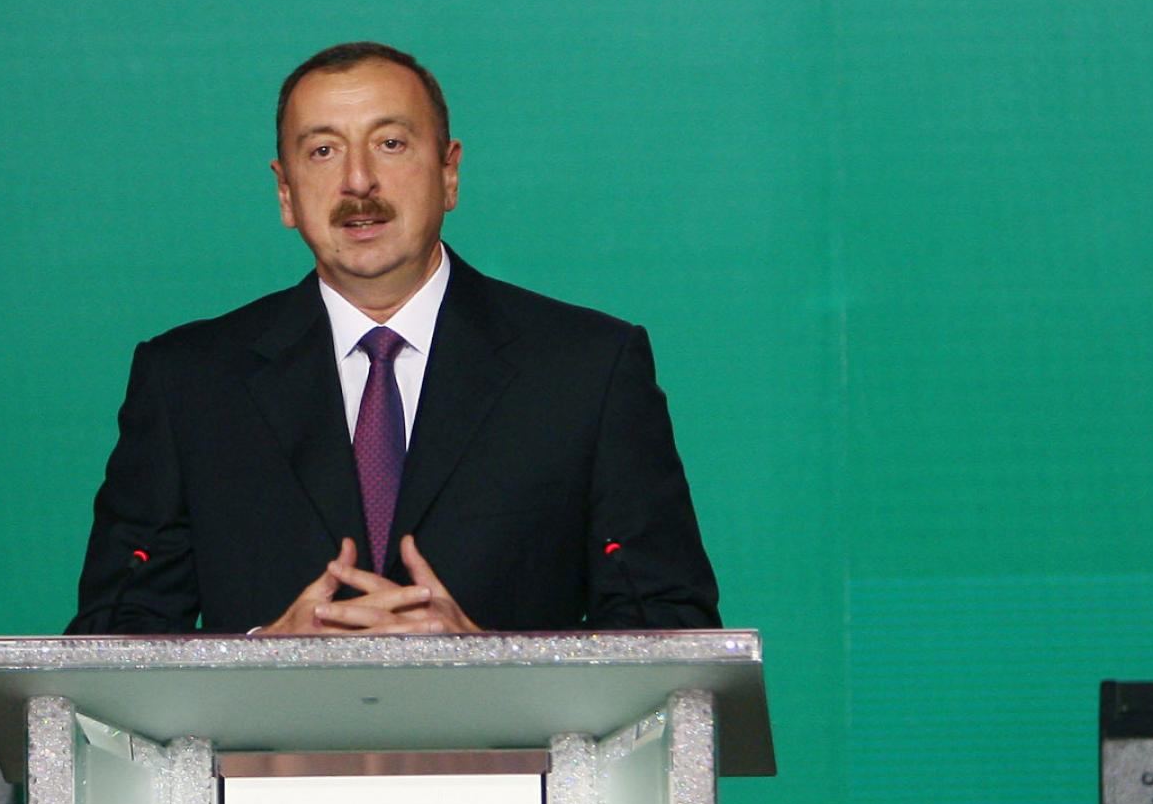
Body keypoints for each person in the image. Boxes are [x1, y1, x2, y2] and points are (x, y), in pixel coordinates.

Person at [68, 41, 718, 635]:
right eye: (323, 150)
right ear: (286, 193)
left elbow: (669, 632)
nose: (358, 182)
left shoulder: (586, 370)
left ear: (450, 171)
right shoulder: (188, 383)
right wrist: (265, 656)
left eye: (390, 144)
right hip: (267, 763)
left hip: (513, 761)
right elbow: (110, 643)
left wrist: (483, 660)